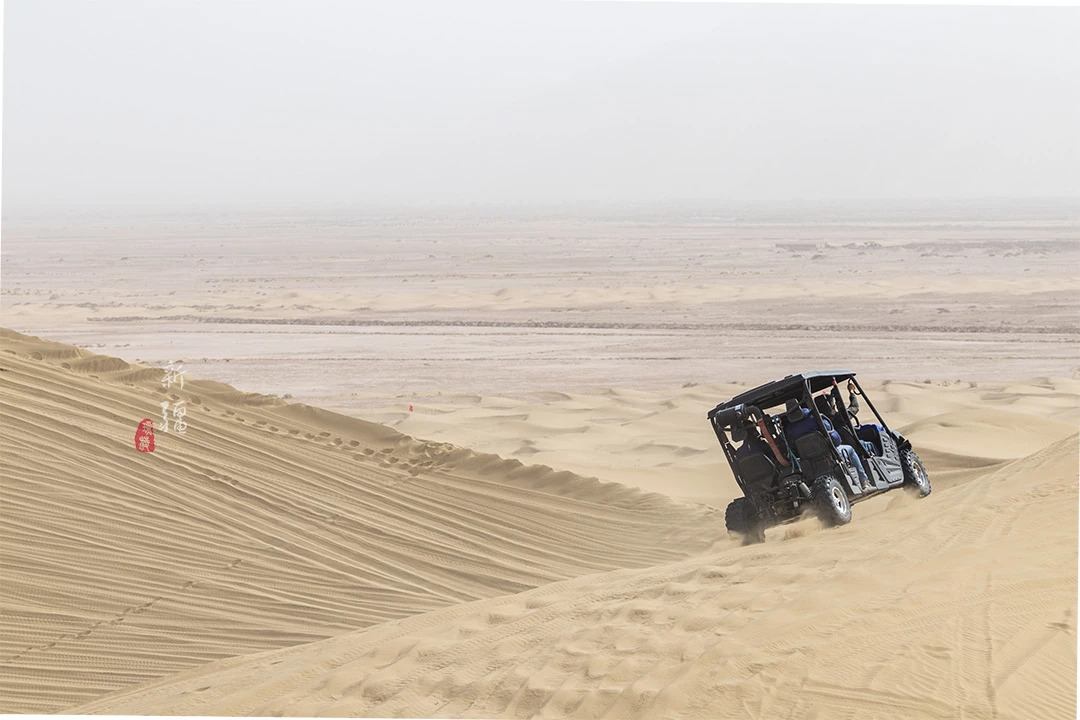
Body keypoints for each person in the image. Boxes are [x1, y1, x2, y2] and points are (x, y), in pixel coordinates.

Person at [784, 399, 870, 489]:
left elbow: (792, 448)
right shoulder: (814, 417)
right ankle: (864, 480)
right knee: (851, 450)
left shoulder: (790, 429)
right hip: (830, 455)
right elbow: (835, 439)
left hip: (809, 462)